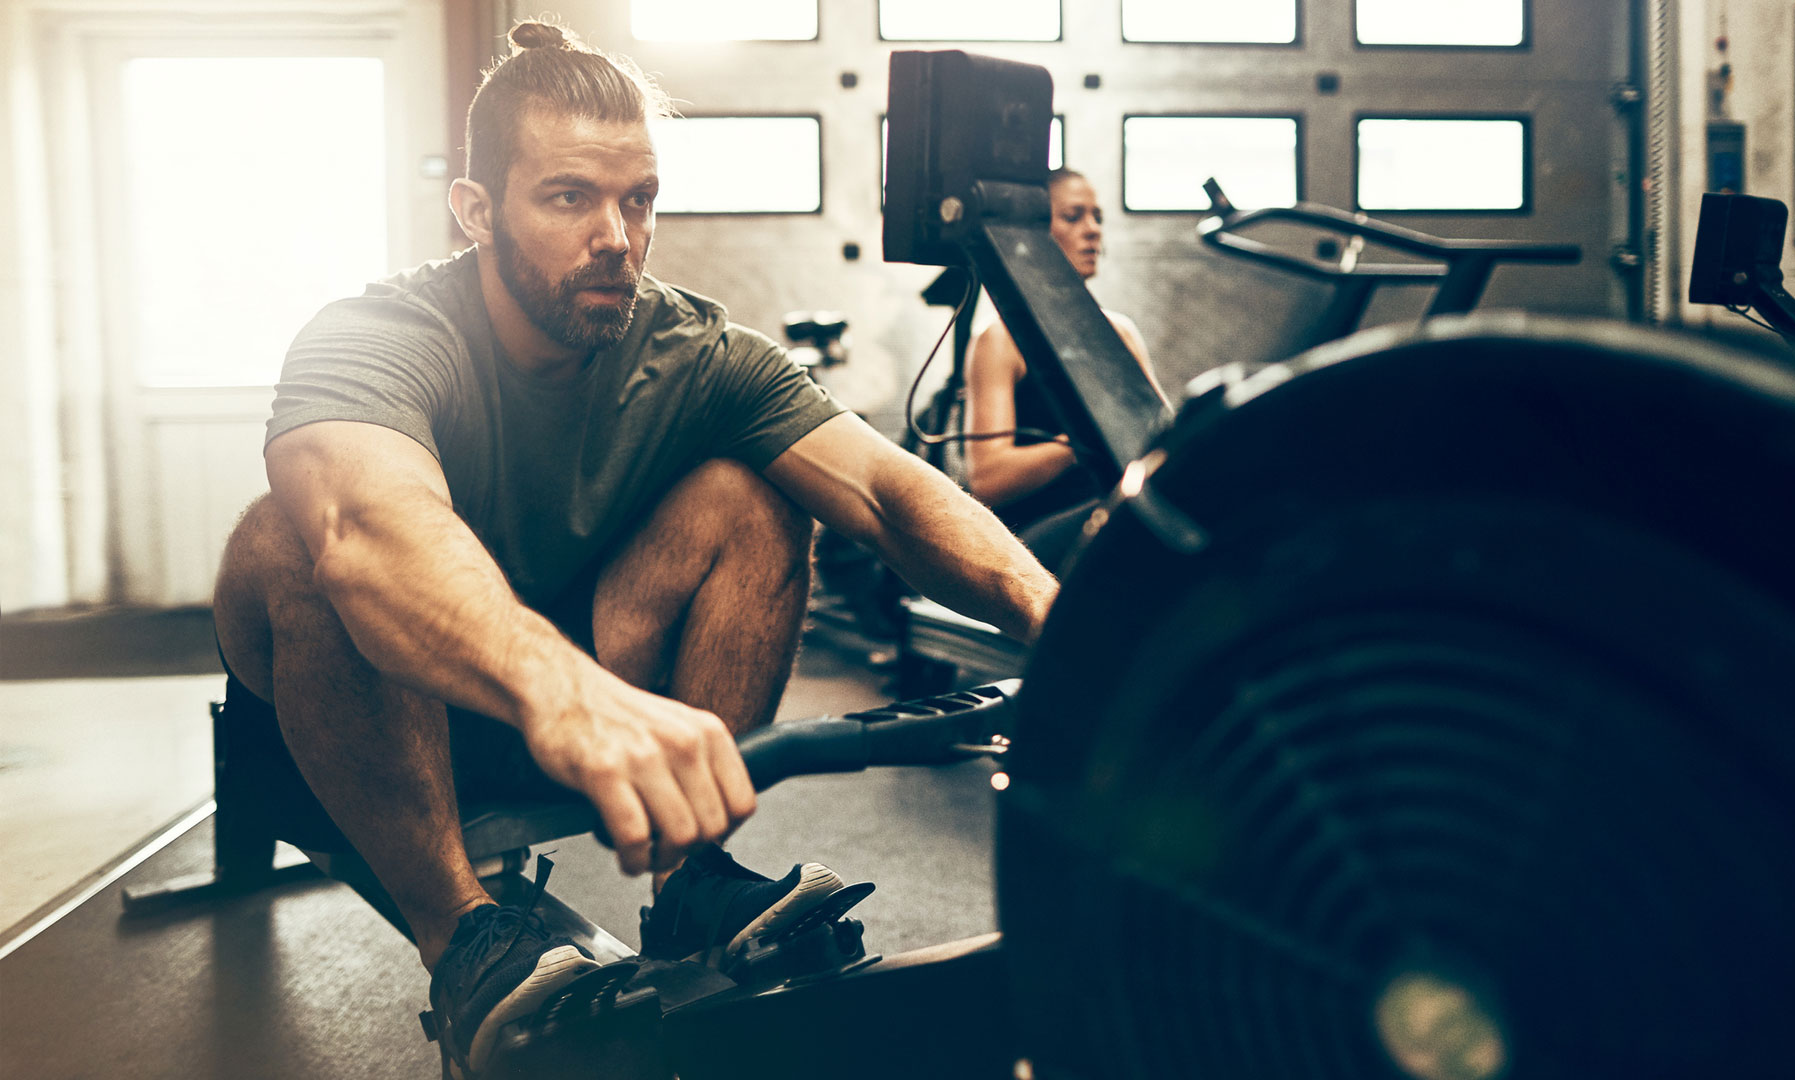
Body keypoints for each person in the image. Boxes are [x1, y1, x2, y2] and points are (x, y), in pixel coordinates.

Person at [209, 22, 1056, 1078]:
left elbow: (886, 490)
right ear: (476, 212)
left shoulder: (691, 349)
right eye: (569, 197)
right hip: (370, 700)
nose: (615, 234)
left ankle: (693, 883)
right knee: (287, 533)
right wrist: (562, 694)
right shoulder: (376, 336)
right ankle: (462, 936)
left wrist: (1064, 610)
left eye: (638, 199)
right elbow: (369, 533)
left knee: (750, 490)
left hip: (585, 690)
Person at [960, 168, 1165, 571]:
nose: (1092, 231)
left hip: (1110, 509)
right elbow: (988, 478)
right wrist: (1080, 441)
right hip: (1033, 535)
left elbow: (1157, 439)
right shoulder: (1000, 340)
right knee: (1126, 522)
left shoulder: (1121, 333)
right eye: (1073, 217)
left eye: (1097, 217)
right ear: (1036, 234)